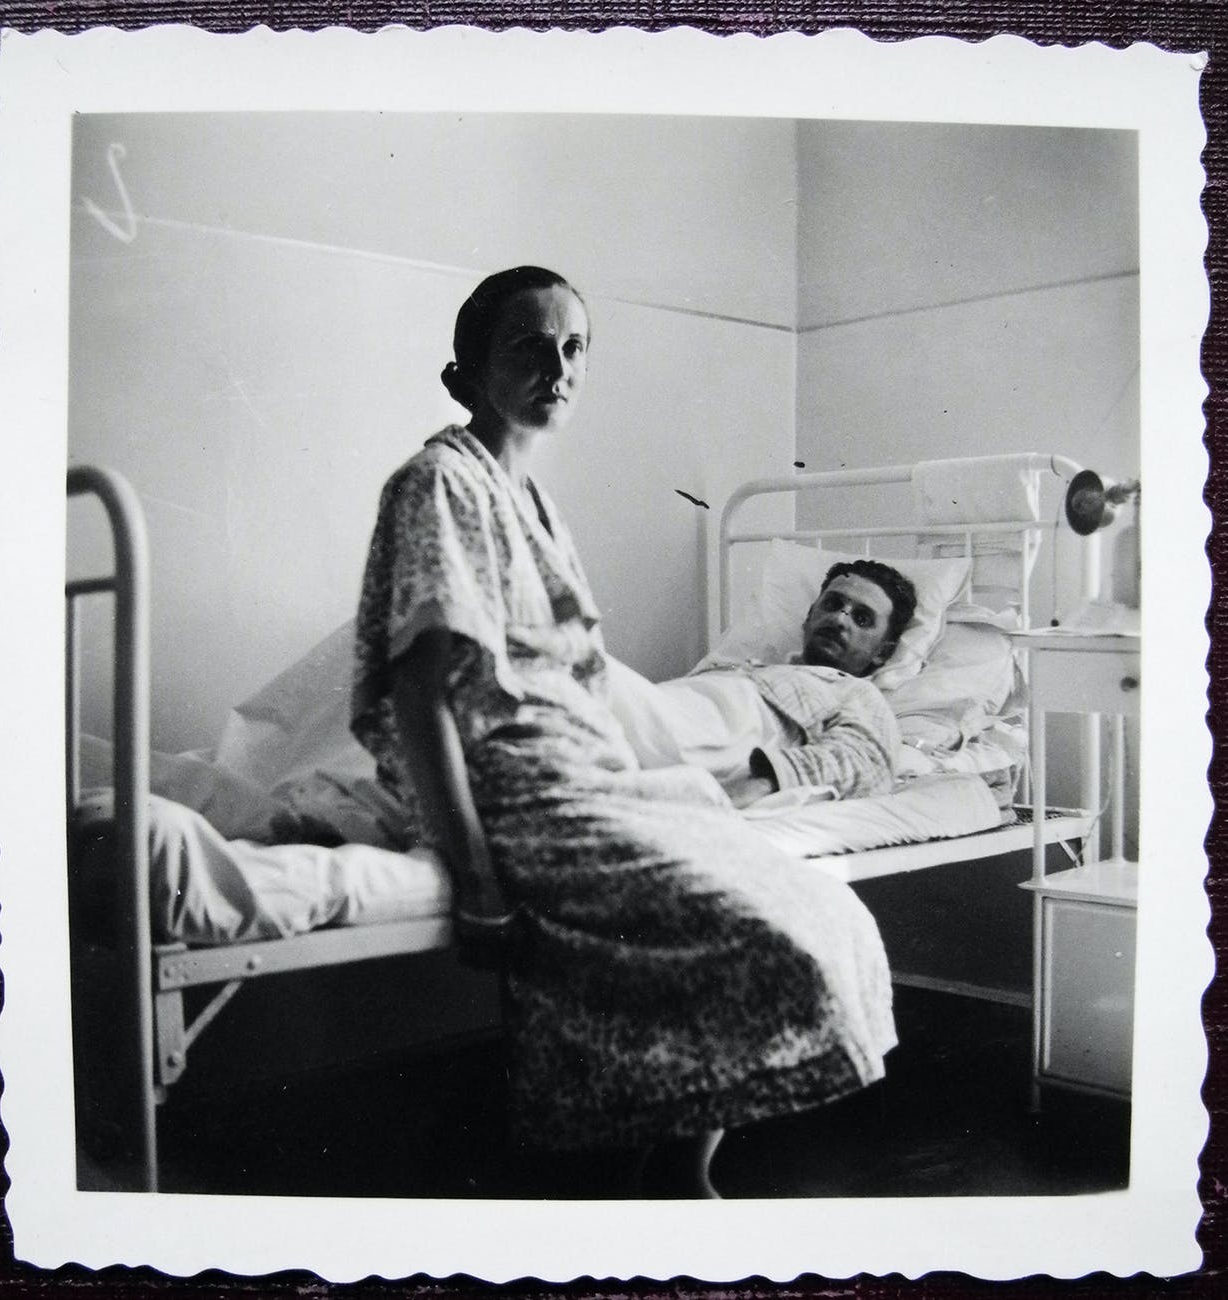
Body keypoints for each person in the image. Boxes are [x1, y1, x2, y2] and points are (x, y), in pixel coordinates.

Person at [351, 266, 895, 1198]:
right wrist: (476, 877)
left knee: (831, 914)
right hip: (519, 786)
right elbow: (418, 693)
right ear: (464, 374)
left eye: (572, 348)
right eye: (527, 346)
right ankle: (662, 1176)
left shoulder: (533, 501)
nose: (556, 367)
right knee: (775, 937)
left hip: (596, 770)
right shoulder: (438, 482)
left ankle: (675, 1172)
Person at [715, 560, 917, 809]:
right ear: (810, 615)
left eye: (862, 618)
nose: (840, 620)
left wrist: (746, 790)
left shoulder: (857, 693)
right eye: (833, 604)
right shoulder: (741, 667)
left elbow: (866, 761)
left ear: (882, 653)